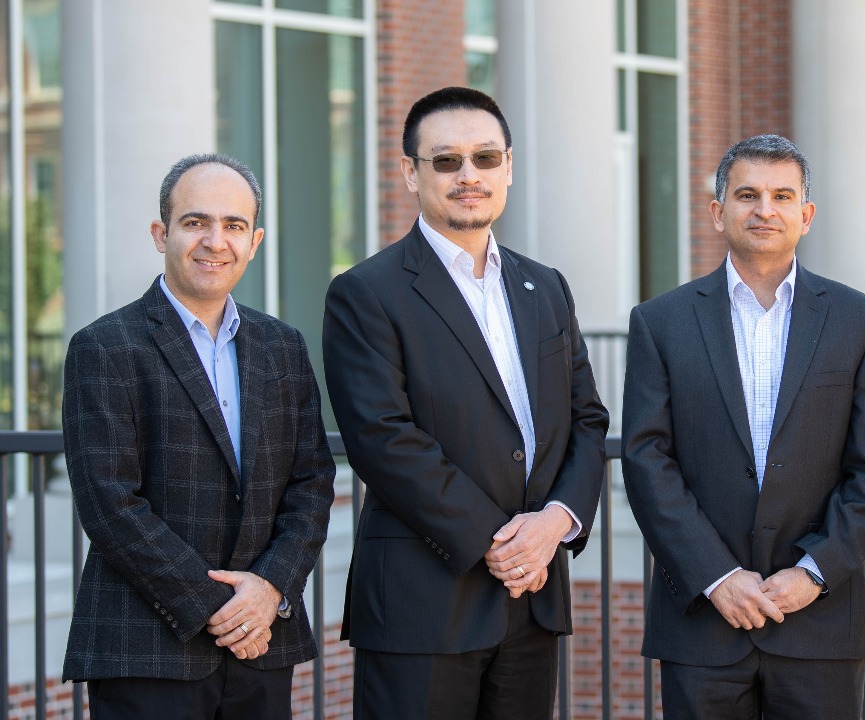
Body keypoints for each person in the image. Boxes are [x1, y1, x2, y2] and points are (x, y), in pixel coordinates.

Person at [323, 86, 609, 720]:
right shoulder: (365, 293)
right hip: (422, 605)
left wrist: (557, 521)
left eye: (485, 158)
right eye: (446, 161)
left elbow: (587, 418)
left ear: (508, 167)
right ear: (410, 173)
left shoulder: (546, 286)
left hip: (533, 602)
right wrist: (504, 543)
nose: (468, 176)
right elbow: (383, 438)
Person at [621, 134, 865, 719]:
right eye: (747, 194)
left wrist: (812, 574)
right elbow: (647, 460)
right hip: (702, 622)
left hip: (819, 622)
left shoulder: (862, 322)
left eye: (781, 195)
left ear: (807, 214)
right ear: (719, 212)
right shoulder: (660, 322)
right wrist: (716, 576)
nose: (764, 209)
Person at [61, 153, 336, 720]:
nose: (216, 241)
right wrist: (222, 608)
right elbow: (110, 504)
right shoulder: (105, 346)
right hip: (147, 648)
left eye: (234, 226)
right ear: (162, 233)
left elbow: (311, 484)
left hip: (262, 643)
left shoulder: (283, 347)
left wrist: (267, 590)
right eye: (195, 222)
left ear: (254, 241)